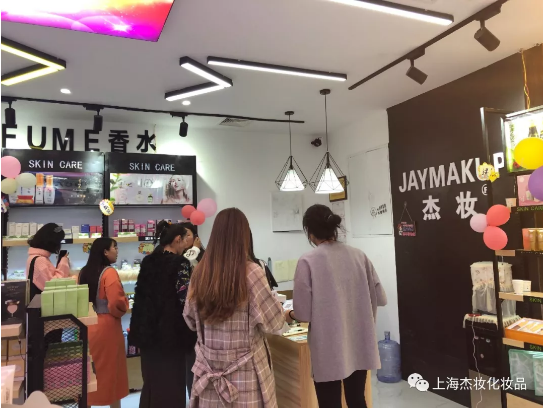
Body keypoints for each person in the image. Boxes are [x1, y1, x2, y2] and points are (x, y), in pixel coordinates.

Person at [285, 204, 387, 408]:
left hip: (328, 348)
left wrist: (290, 315)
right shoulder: (359, 256)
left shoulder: (307, 261)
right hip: (359, 343)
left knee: (329, 403)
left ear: (309, 232)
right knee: (357, 400)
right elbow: (381, 298)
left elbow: (303, 314)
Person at [183, 208, 285, 408]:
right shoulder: (252, 272)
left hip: (208, 375)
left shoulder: (200, 272)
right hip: (246, 378)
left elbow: (189, 319)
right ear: (244, 236)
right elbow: (275, 322)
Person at [129, 222, 196, 408]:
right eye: (185, 240)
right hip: (170, 334)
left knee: (151, 382)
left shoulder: (148, 261)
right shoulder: (180, 263)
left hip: (146, 331)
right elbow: (185, 299)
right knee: (171, 384)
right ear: (177, 239)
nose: (186, 245)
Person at [78, 238, 128, 408]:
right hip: (107, 328)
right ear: (105, 252)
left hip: (86, 325)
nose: (117, 251)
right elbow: (116, 303)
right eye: (115, 247)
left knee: (88, 374)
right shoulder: (109, 273)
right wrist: (122, 309)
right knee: (111, 372)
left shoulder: (83, 272)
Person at [26, 223, 71, 299]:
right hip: (43, 305)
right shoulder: (40, 260)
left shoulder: (34, 257)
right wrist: (63, 262)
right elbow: (54, 287)